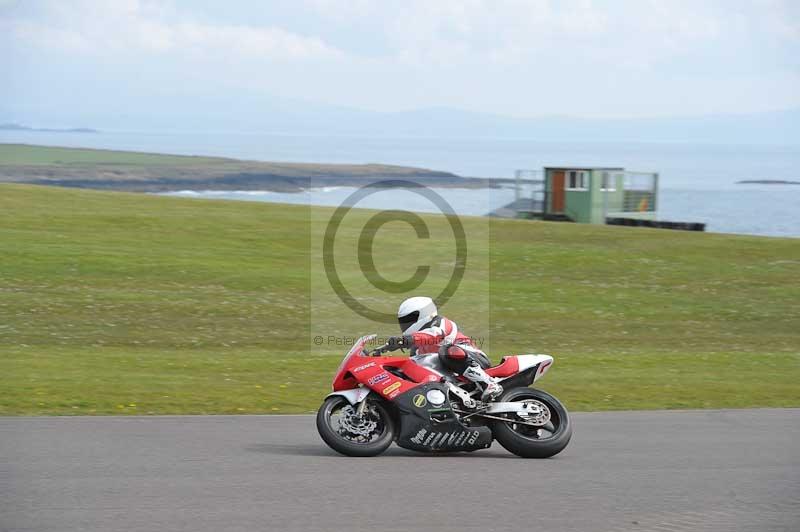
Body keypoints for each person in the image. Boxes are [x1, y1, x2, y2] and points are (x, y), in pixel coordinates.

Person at [385, 296, 503, 400]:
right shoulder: (416, 349)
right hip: (454, 376)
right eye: (404, 321)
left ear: (424, 313)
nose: (406, 324)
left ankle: (489, 383)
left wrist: (405, 340)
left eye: (409, 319)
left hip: (475, 360)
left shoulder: (441, 323)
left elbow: (433, 335)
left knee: (446, 351)